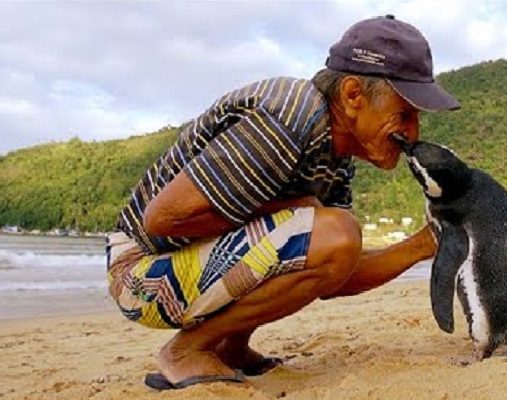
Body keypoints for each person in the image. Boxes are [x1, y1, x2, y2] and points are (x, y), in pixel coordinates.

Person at [106, 14, 460, 390]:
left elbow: (332, 271)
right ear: (354, 95)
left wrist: (424, 244)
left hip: (184, 266)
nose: (413, 132)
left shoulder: (335, 158)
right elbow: (161, 220)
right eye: (404, 113)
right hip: (140, 274)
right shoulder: (288, 116)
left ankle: (231, 346)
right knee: (328, 227)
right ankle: (186, 350)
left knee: (330, 232)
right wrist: (293, 210)